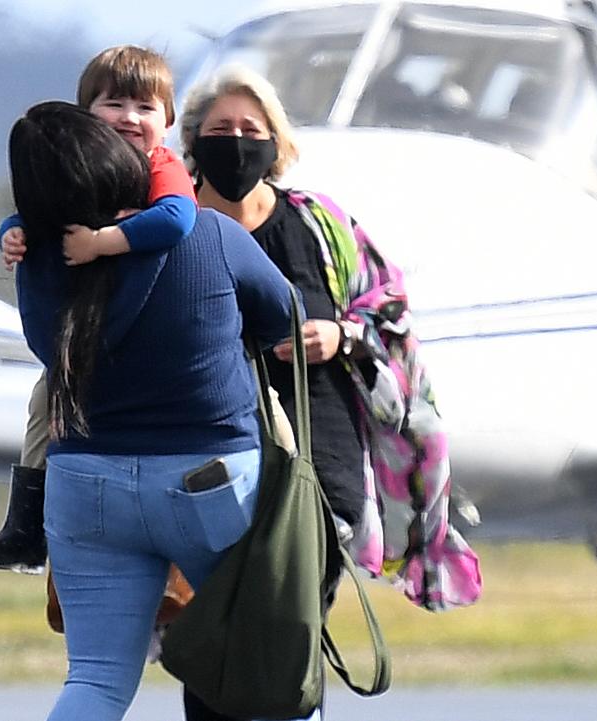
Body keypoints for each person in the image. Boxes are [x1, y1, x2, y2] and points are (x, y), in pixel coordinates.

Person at [8, 100, 295, 721]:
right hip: (211, 478)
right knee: (265, 666)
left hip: (85, 481)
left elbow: (45, 348)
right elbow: (282, 316)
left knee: (95, 682)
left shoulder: (38, 263)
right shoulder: (212, 234)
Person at [179, 65, 482, 614]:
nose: (239, 142)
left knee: (293, 629)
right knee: (214, 637)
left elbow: (388, 306)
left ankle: (288, 700)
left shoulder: (318, 225)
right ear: (195, 141)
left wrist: (342, 336)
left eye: (253, 129)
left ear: (276, 141)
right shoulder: (171, 228)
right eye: (222, 130)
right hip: (204, 459)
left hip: (319, 465)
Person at [0, 45, 195, 573]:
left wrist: (105, 241)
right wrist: (13, 234)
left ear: (168, 121)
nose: (129, 119)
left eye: (145, 108)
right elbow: (27, 212)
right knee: (45, 401)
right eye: (114, 104)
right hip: (82, 335)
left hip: (153, 333)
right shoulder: (70, 168)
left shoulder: (163, 167)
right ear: (84, 114)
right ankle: (25, 526)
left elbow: (179, 219)